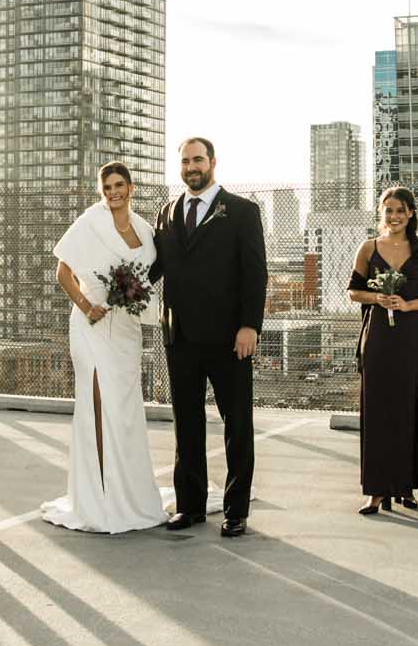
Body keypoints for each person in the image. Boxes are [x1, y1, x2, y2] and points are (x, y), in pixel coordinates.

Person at [41, 162, 172, 534]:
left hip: (127, 330)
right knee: (97, 403)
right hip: (90, 326)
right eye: (107, 187)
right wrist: (86, 305)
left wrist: (131, 296)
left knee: (125, 411)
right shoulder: (89, 223)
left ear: (131, 188)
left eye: (119, 185)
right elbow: (63, 272)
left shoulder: (146, 231)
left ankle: (126, 492)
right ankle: (97, 499)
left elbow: (149, 277)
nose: (113, 192)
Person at [150, 137, 266, 538]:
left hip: (229, 337)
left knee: (237, 424)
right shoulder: (167, 212)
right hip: (179, 336)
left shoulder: (241, 211)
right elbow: (154, 267)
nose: (191, 167)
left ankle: (236, 510)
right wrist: (114, 286)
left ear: (213, 162)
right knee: (187, 424)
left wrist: (250, 325)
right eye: (185, 161)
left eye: (198, 159)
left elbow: (255, 273)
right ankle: (190, 506)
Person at [347, 185, 418, 515]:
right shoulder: (368, 247)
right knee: (377, 412)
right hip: (377, 340)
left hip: (412, 339)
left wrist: (408, 305)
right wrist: (377, 297)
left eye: (400, 211)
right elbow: (353, 292)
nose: (394, 217)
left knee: (408, 409)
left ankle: (407, 488)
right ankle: (376, 491)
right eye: (388, 210)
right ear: (382, 212)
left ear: (411, 213)